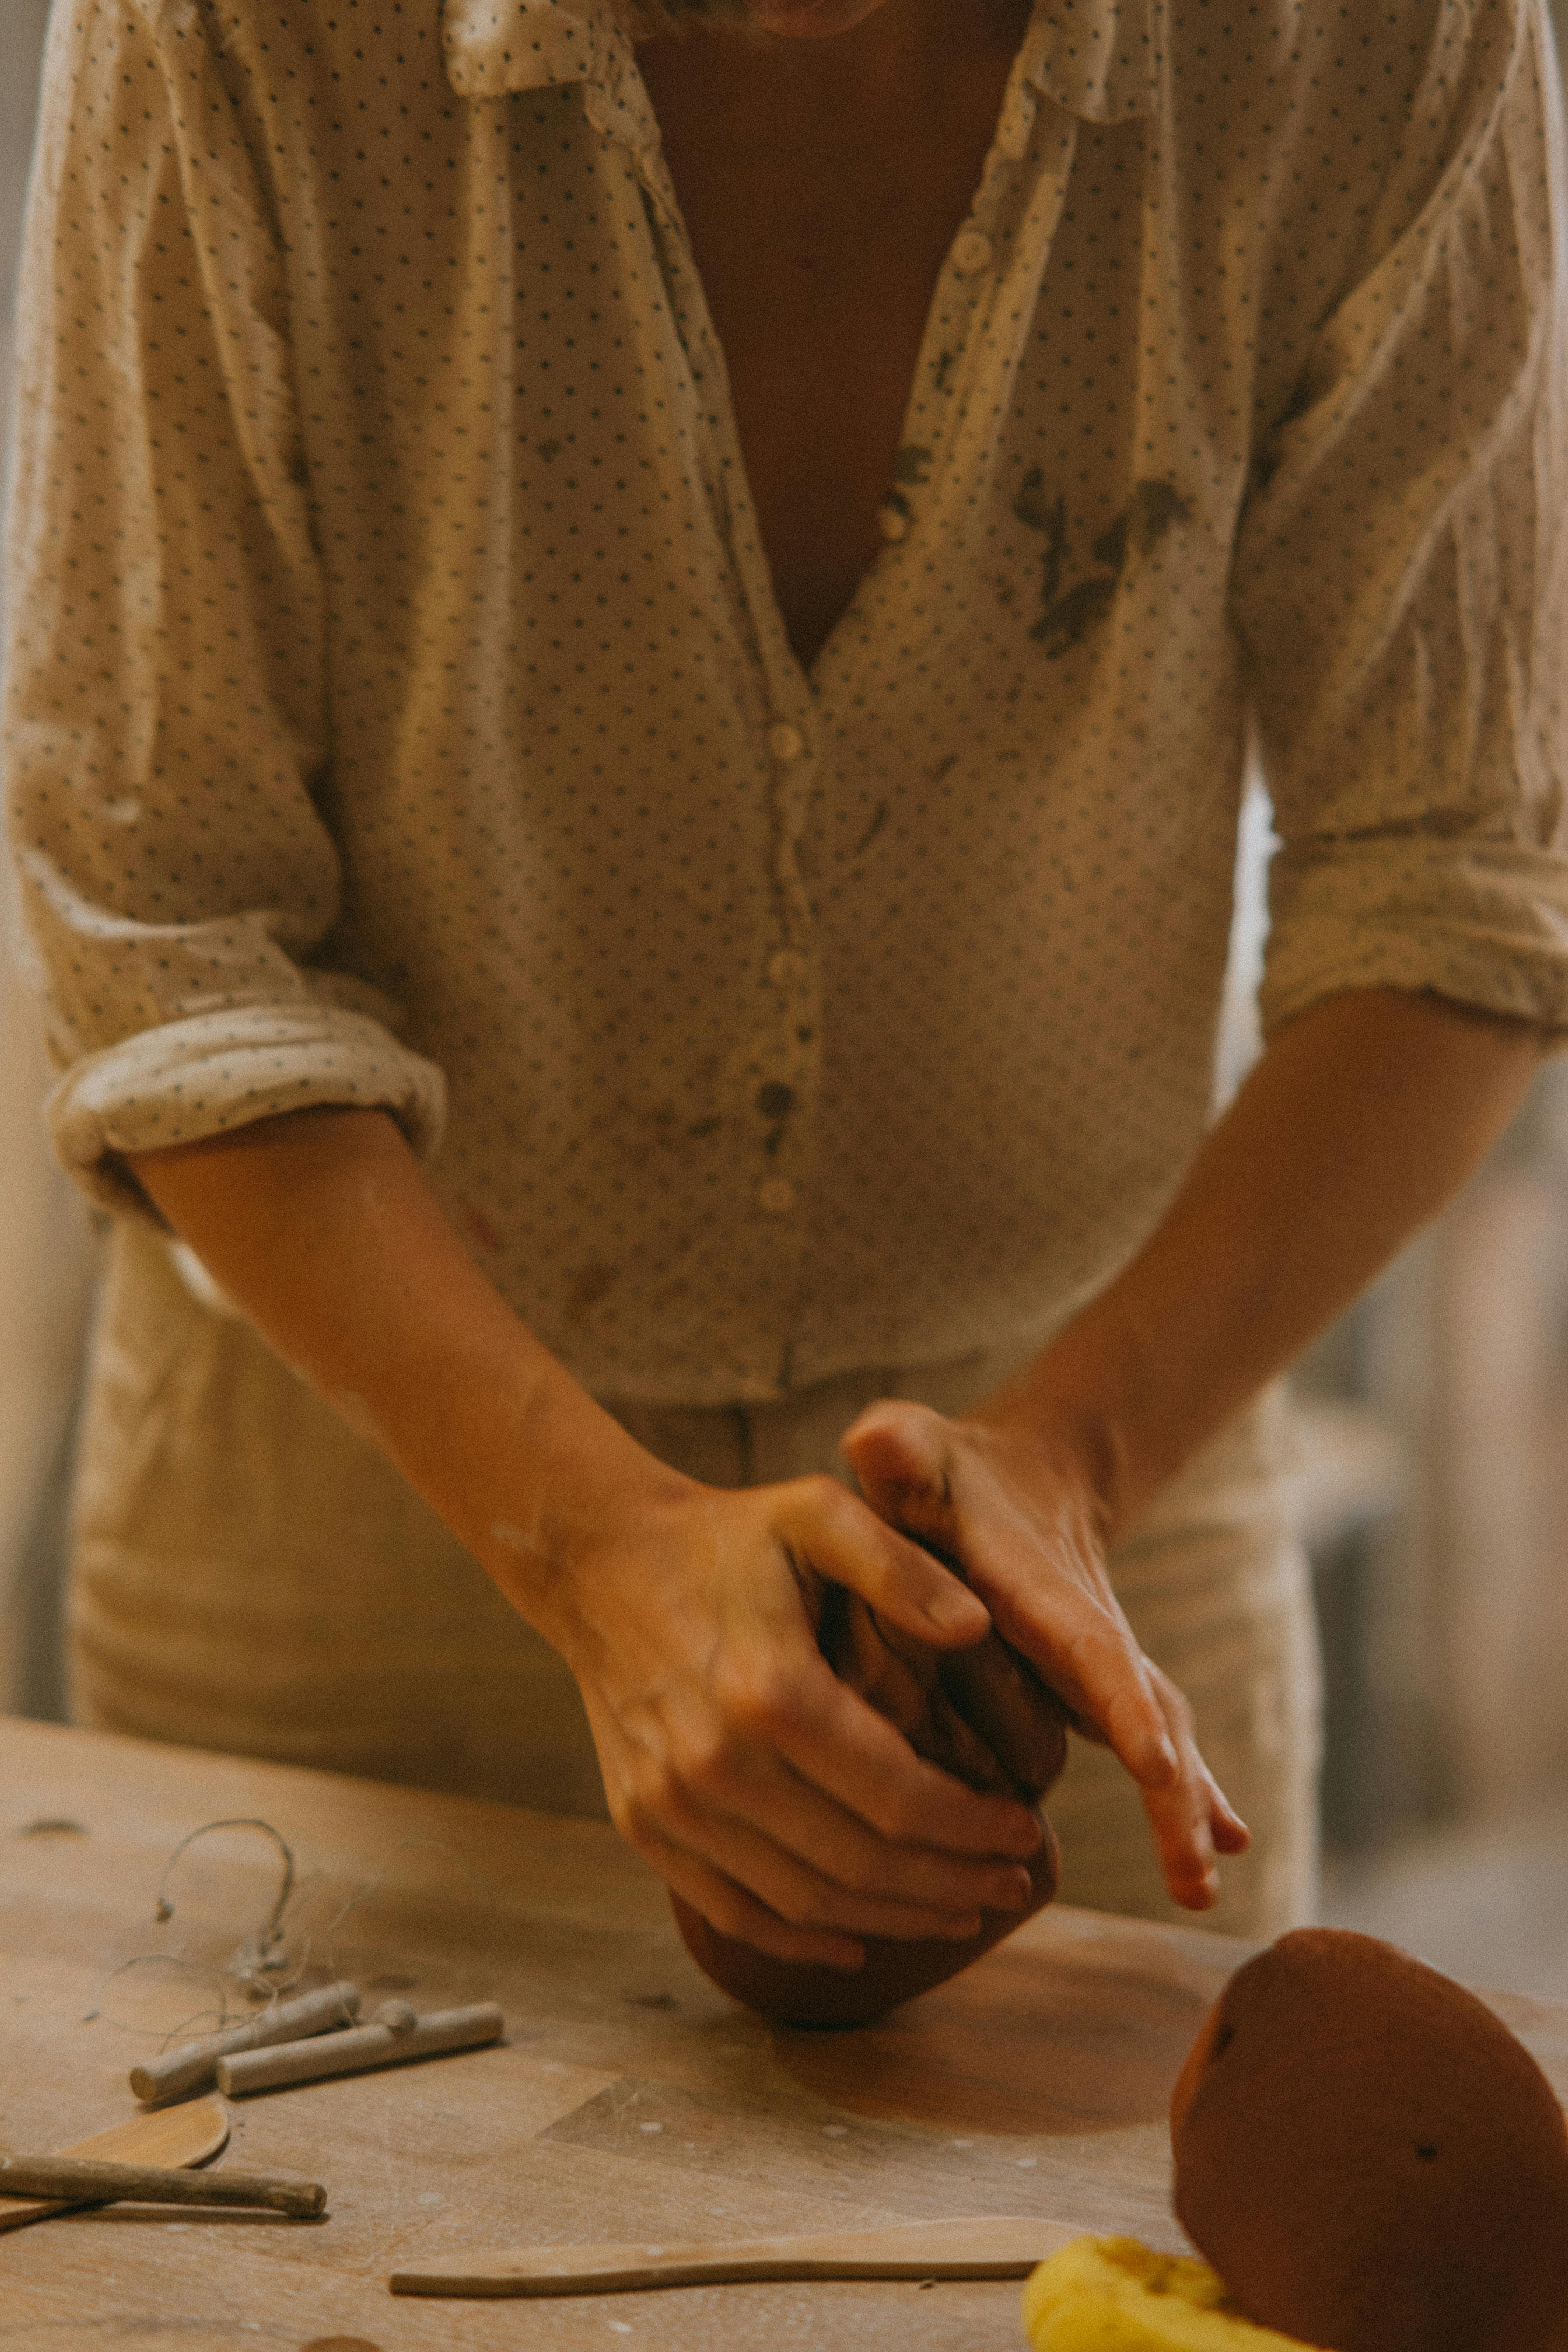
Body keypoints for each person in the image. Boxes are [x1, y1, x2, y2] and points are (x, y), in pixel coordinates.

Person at [4, 0, 1565, 1977]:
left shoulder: (1379, 34)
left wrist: (1075, 1459)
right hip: (356, 1494)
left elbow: (1463, 879)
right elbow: (164, 923)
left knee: (1094, 2278)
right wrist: (585, 1541)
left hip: (1088, 1495)